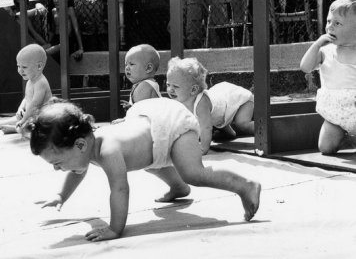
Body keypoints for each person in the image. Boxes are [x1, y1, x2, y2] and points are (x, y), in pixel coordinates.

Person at [28, 98, 261, 241]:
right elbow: (76, 172)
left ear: (79, 145)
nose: (58, 169)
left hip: (171, 125)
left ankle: (245, 186)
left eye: (57, 163)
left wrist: (114, 229)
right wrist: (61, 196)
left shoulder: (108, 151)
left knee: (192, 172)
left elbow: (120, 189)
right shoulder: (86, 149)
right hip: (153, 143)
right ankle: (178, 187)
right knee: (151, 163)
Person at [300, 0, 356, 154]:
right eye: (329, 21)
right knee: (325, 148)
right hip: (335, 114)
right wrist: (316, 45)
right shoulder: (325, 51)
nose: (330, 27)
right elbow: (305, 67)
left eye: (337, 23)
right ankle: (345, 140)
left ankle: (352, 139)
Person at [166, 57, 254, 154]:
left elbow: (206, 128)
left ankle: (266, 131)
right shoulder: (181, 100)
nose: (170, 90)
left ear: (193, 90)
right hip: (222, 110)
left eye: (175, 86)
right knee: (216, 117)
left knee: (242, 124)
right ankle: (230, 134)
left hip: (239, 100)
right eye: (168, 85)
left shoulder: (201, 104)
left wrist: (203, 148)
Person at [0, 44, 52, 134]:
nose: (20, 70)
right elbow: (27, 97)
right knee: (18, 118)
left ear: (39, 66)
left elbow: (35, 104)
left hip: (42, 118)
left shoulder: (41, 82)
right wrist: (21, 108)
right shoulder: (31, 81)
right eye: (18, 66)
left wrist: (24, 119)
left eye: (24, 67)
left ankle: (17, 129)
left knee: (38, 128)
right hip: (30, 115)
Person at [111, 44, 162, 124]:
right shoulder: (142, 84)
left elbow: (139, 114)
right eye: (126, 65)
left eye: (131, 64)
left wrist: (125, 121)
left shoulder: (145, 86)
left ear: (148, 68)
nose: (127, 68)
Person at [45, 0, 85, 64]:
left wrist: (81, 48)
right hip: (56, 39)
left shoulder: (69, 10)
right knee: (38, 49)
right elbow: (53, 30)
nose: (56, 1)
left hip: (67, 40)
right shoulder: (53, 11)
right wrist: (48, 43)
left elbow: (76, 29)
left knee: (44, 53)